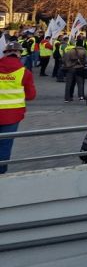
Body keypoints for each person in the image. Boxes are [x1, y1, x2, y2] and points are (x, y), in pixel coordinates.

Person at [0, 41, 37, 174]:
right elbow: (31, 95)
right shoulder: (24, 72)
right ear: (19, 54)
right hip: (12, 116)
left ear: (5, 53)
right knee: (5, 145)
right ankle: (1, 174)